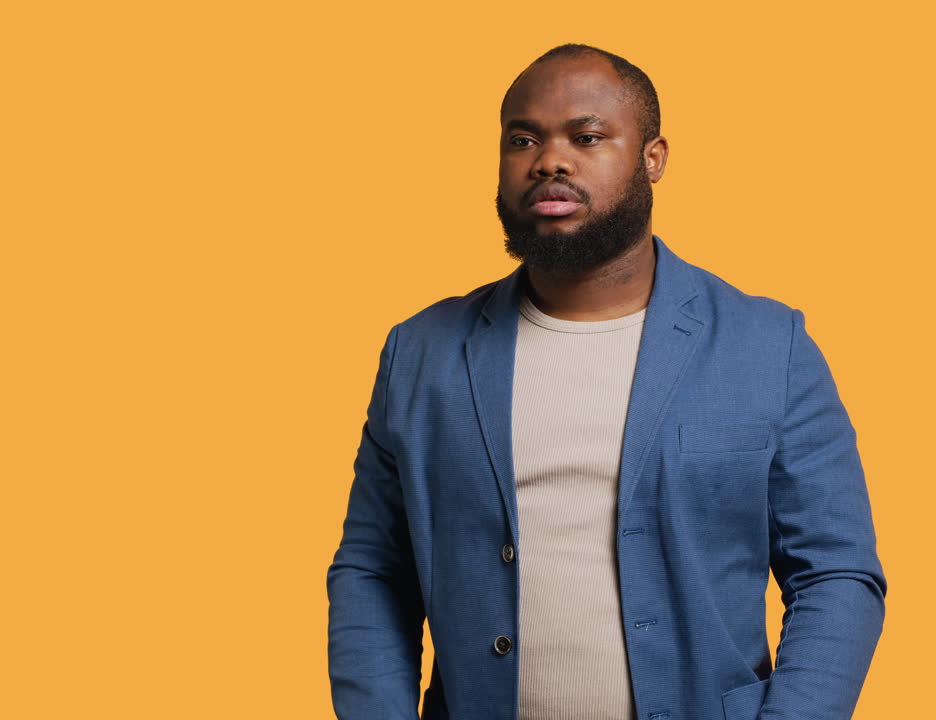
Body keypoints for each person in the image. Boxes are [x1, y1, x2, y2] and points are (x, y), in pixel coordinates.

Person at [327, 43, 888, 720]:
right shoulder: (422, 352)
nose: (550, 161)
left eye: (586, 137)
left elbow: (835, 574)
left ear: (654, 158)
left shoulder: (769, 346)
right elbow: (373, 572)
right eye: (523, 139)